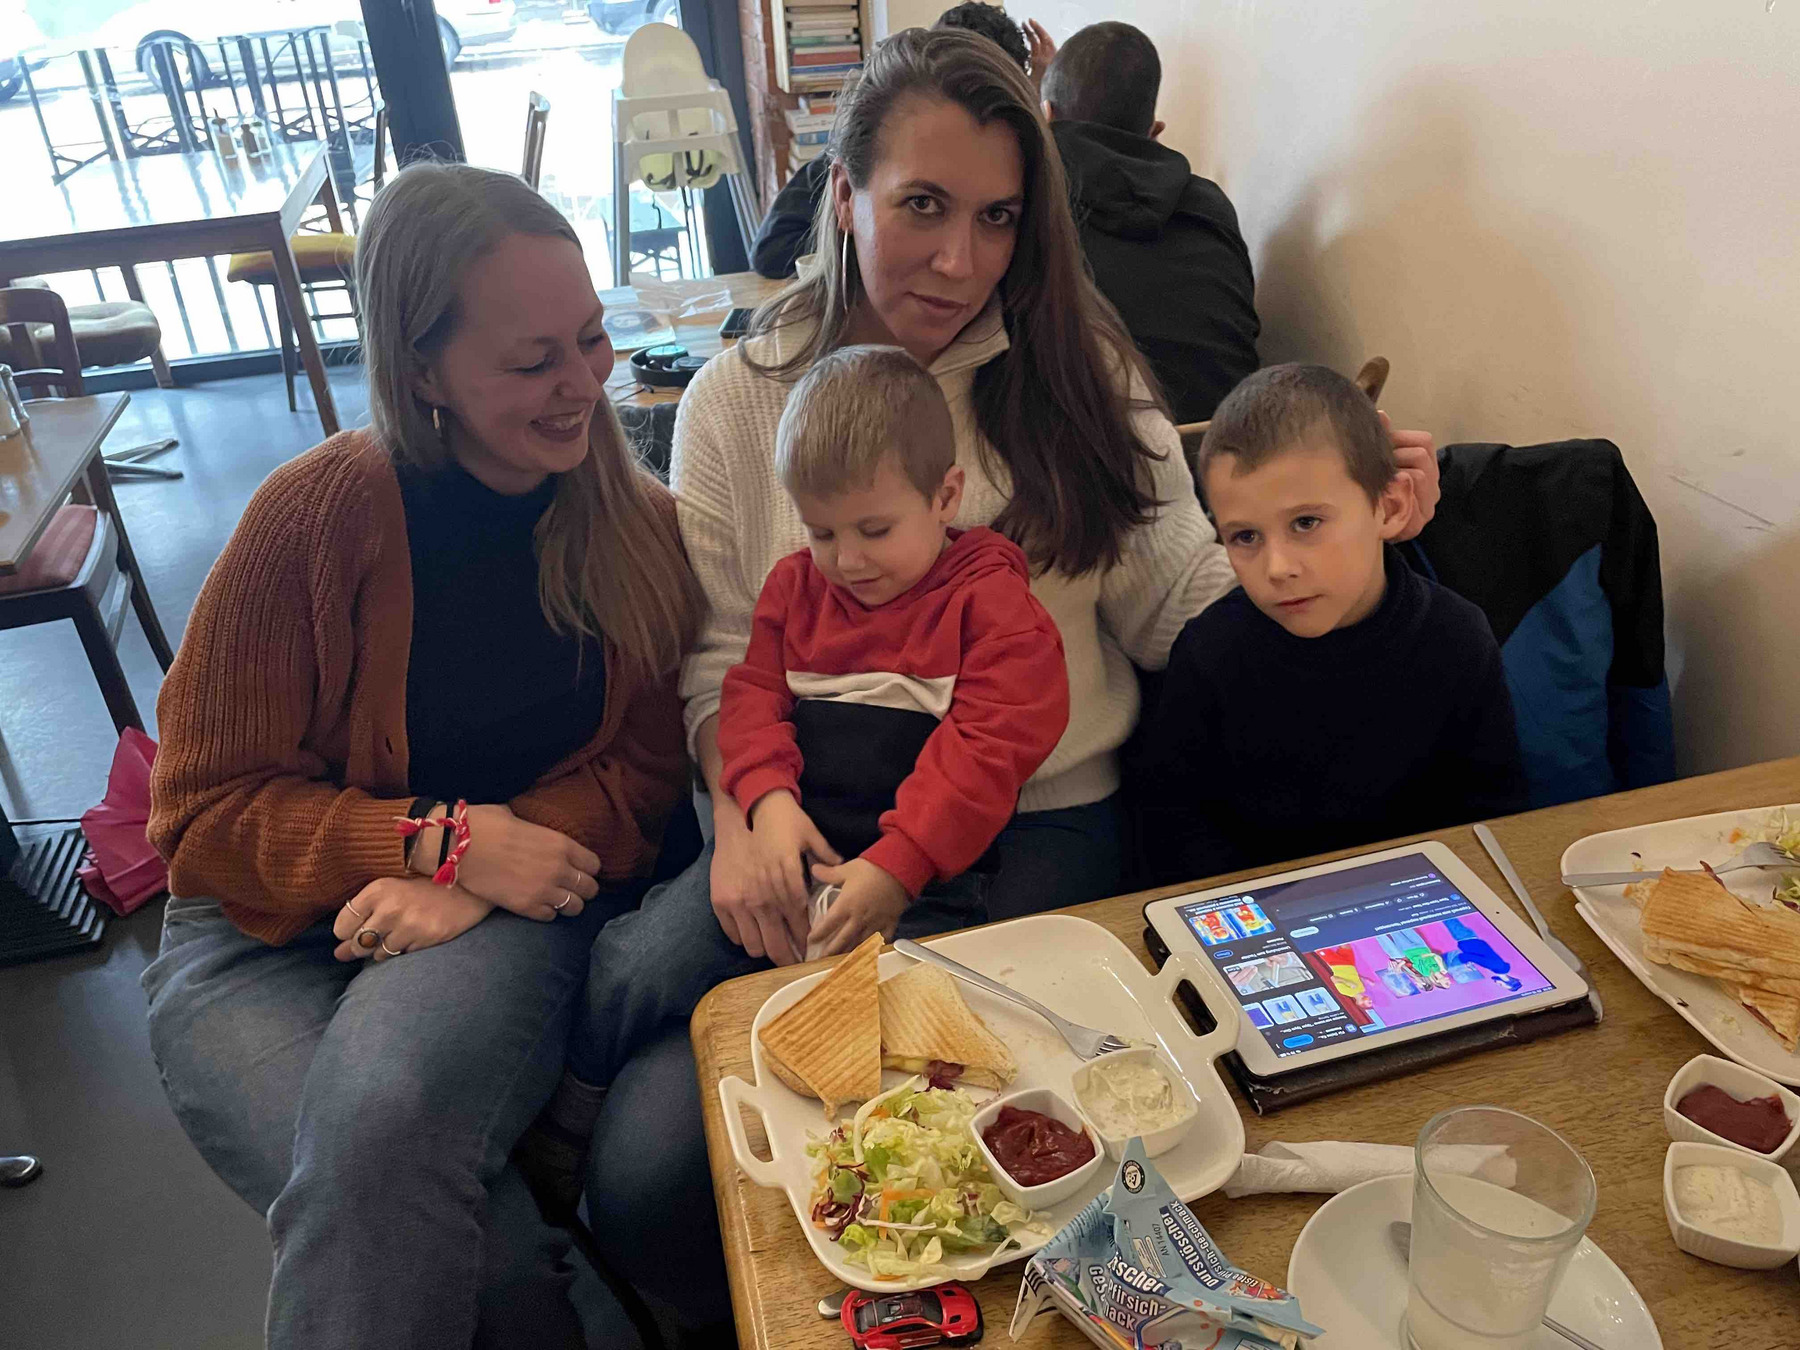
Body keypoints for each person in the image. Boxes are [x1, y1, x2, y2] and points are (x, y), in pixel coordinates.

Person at [138, 162, 706, 1349]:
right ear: (420, 373)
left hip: (499, 917)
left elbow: (645, 778)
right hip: (259, 940)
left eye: (592, 341)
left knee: (386, 1140)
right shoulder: (314, 516)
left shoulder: (638, 524)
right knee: (476, 1255)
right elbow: (196, 827)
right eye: (530, 360)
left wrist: (467, 878)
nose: (582, 387)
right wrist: (438, 841)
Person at [517, 346, 1068, 1214]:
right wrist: (767, 804)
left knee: (879, 1073)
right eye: (819, 531)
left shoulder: (988, 602)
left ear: (946, 498)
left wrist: (897, 866)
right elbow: (750, 698)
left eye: (873, 530)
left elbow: (996, 741)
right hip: (781, 857)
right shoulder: (793, 588)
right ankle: (570, 1119)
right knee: (639, 963)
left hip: (920, 889)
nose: (844, 560)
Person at [1135, 364, 1526, 884]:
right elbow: (1173, 829)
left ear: (1389, 507)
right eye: (1245, 537)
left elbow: (1493, 816)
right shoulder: (1210, 652)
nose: (1278, 568)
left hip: (1419, 903)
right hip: (1257, 913)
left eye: (1306, 523)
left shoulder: (1456, 638)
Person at [1040, 21, 1260, 424]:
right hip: (1227, 459)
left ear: (1048, 117)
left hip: (1086, 472)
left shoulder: (1033, 203)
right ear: (1154, 132)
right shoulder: (1213, 206)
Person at [750, 4, 1051, 280]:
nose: (957, 265)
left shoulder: (1030, 157)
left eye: (994, 216)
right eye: (922, 203)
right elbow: (772, 251)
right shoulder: (874, 142)